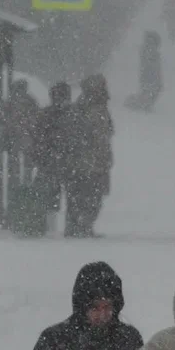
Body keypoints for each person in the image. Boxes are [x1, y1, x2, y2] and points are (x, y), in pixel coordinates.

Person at [66, 74, 114, 238]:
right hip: (94, 161)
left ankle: (76, 226)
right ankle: (83, 226)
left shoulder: (81, 105)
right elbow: (101, 136)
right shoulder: (96, 109)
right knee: (92, 196)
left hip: (82, 161)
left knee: (81, 195)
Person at [33, 82, 74, 227]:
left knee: (49, 195)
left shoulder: (44, 114)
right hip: (68, 161)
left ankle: (49, 225)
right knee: (71, 196)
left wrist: (40, 157)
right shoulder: (73, 114)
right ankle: (71, 226)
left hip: (49, 161)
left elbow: (37, 138)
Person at [3, 79, 41, 185]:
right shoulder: (30, 100)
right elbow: (37, 117)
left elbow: (5, 119)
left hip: (15, 135)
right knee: (26, 162)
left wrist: (10, 128)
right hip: (26, 135)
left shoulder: (10, 101)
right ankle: (25, 184)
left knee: (14, 162)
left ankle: (14, 183)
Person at [129, 31, 163, 112]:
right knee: (149, 93)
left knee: (150, 93)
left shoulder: (150, 52)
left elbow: (156, 67)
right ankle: (141, 104)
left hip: (151, 78)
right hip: (149, 78)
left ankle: (142, 104)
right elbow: (150, 66)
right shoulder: (147, 52)